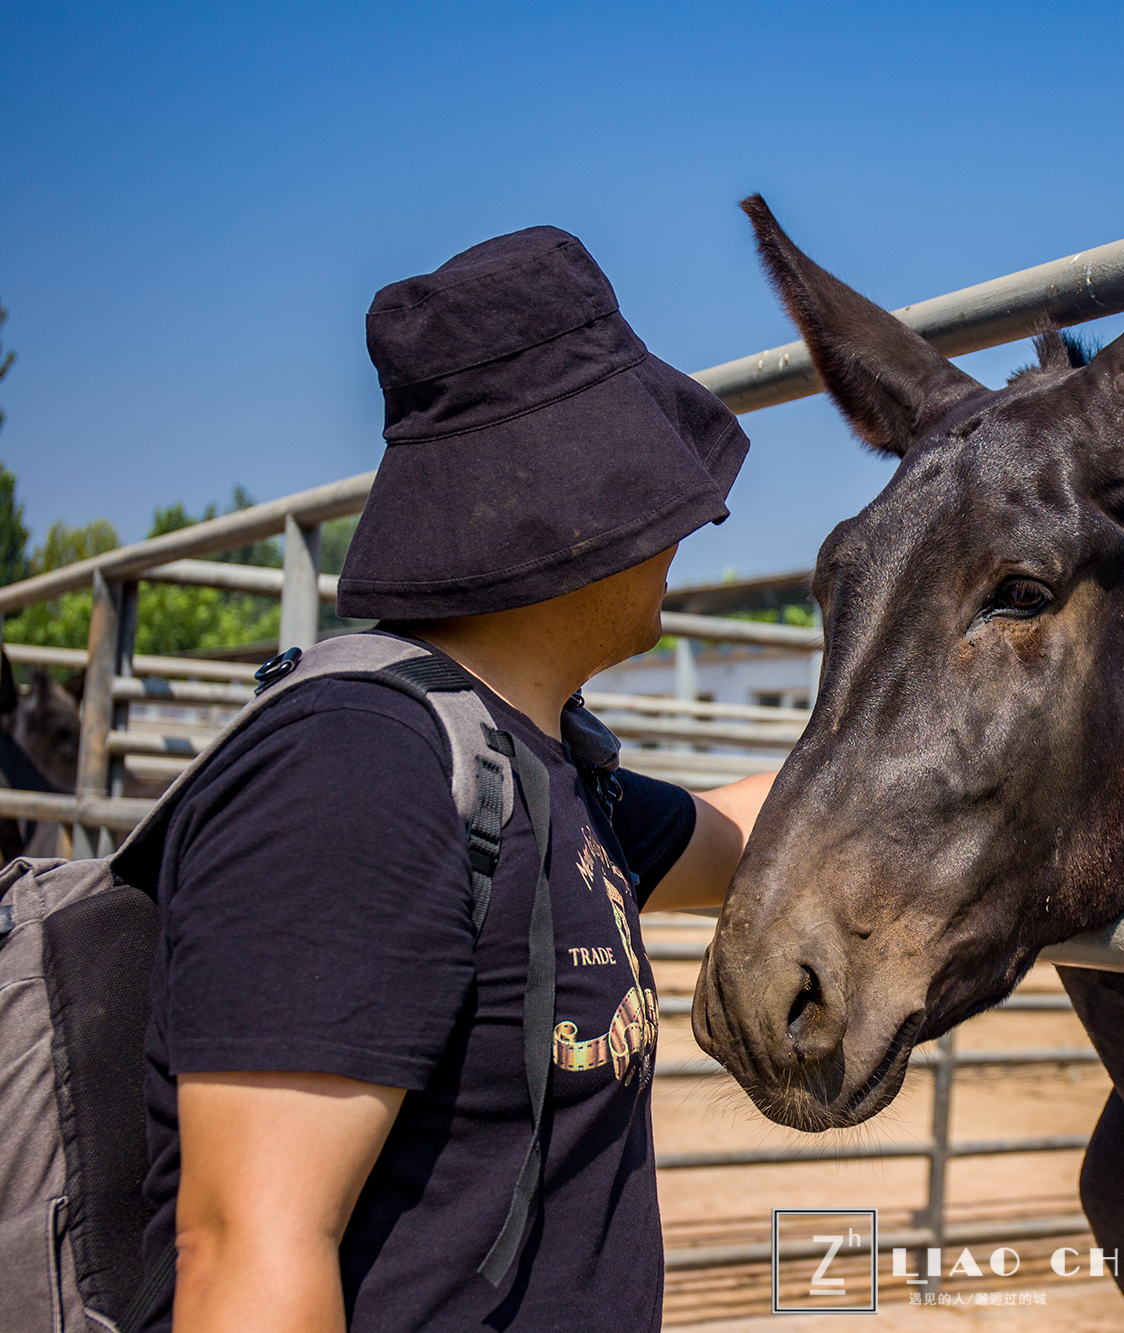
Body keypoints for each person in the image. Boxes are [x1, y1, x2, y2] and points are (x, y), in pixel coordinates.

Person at [137, 226, 770, 1332]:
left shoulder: (555, 772)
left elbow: (750, 827)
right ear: (580, 503)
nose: (689, 525)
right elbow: (244, 1251)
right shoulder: (354, 772)